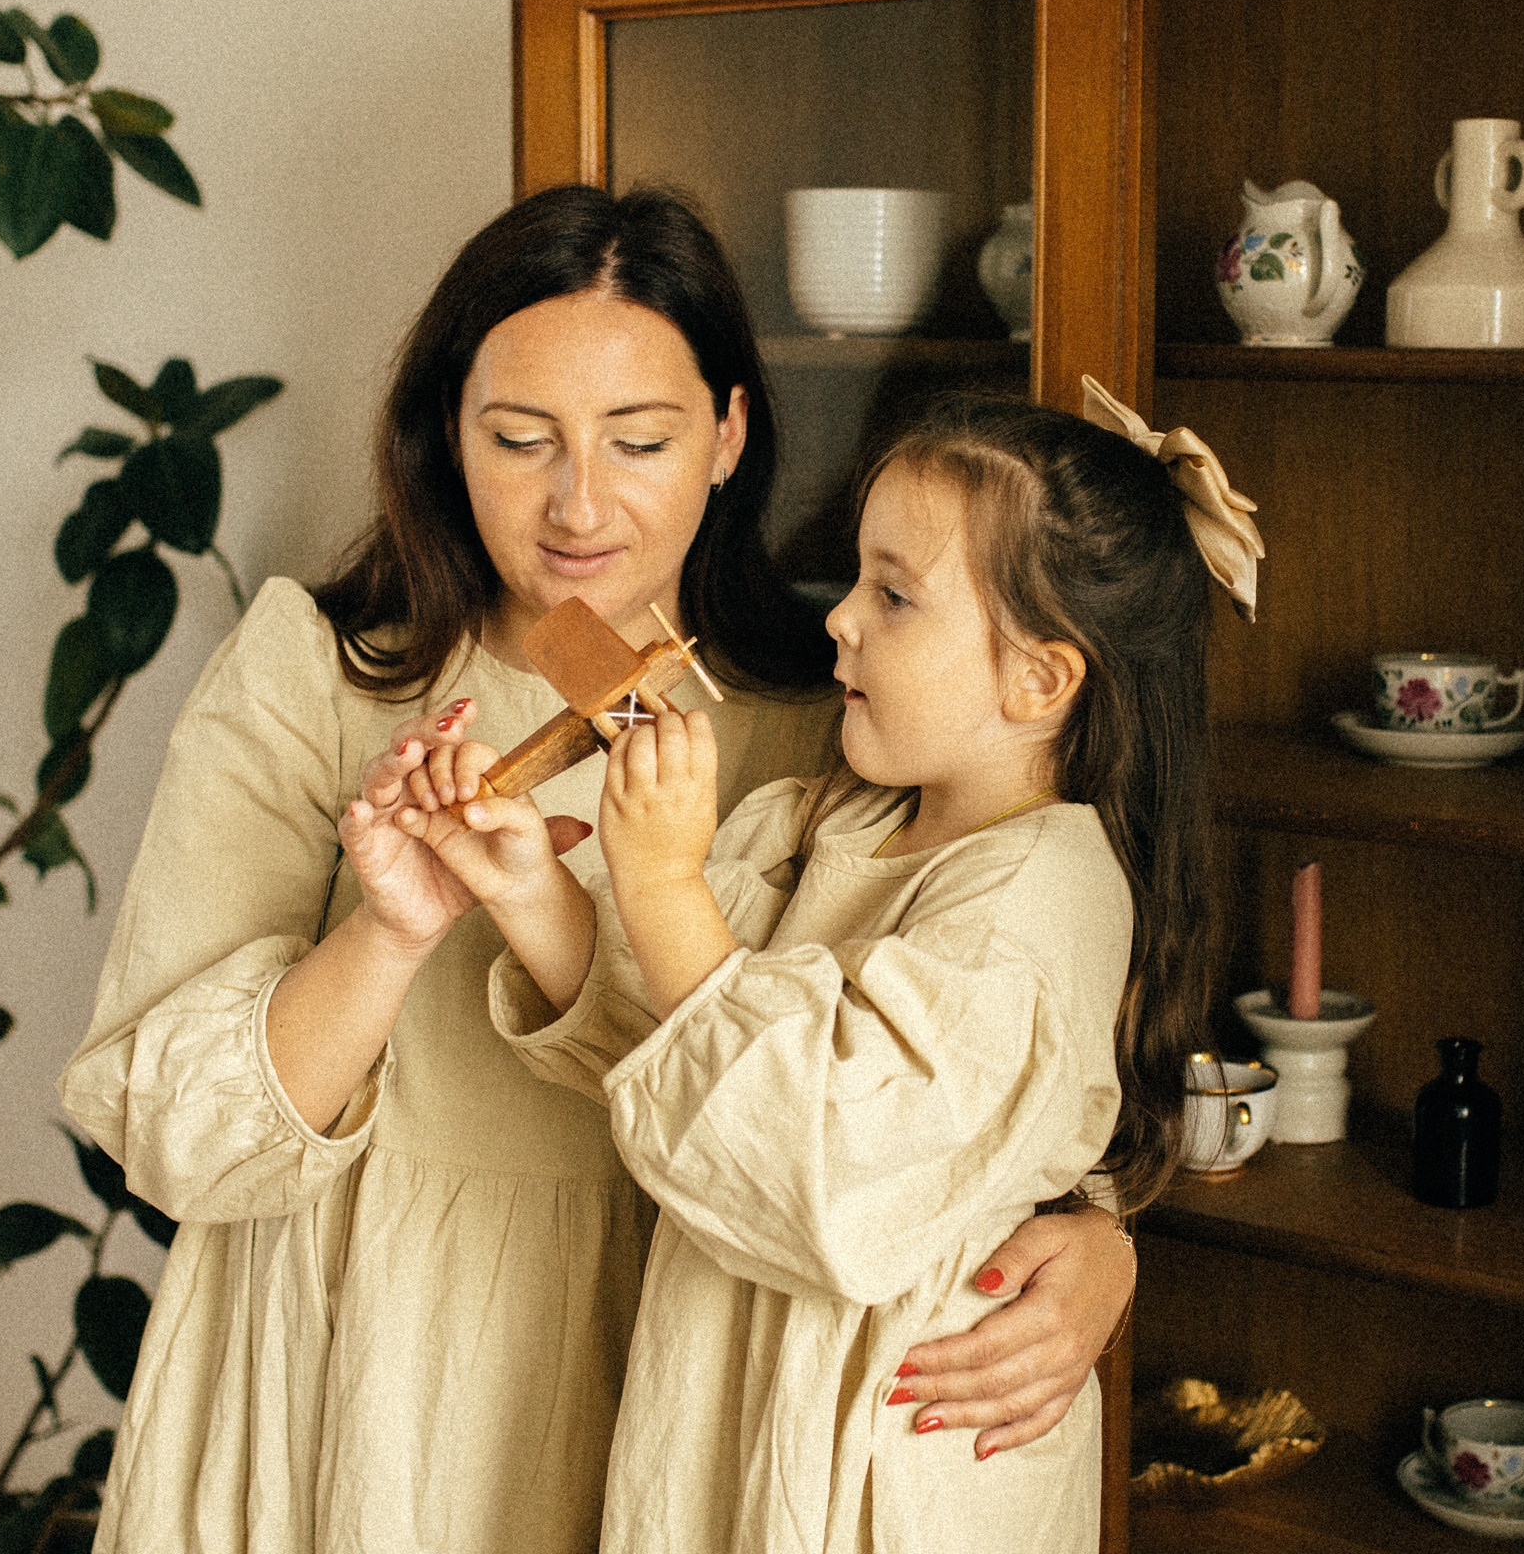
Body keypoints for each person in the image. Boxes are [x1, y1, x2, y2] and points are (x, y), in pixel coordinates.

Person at [57, 187, 1136, 1554]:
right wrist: (389, 936)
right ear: (448, 434)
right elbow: (171, 1142)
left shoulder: (847, 718)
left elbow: (949, 1049)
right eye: (518, 439)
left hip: (686, 1374)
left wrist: (1092, 1239)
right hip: (350, 1361)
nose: (578, 503)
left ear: (731, 434)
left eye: (641, 440)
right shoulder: (316, 670)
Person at [390, 383, 1256, 1552]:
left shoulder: (1037, 896)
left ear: (1041, 680)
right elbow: (676, 1046)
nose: (839, 619)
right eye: (857, 578)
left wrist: (662, 886)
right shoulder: (837, 818)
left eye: (894, 596)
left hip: (884, 1472)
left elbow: (818, 1167)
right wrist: (526, 885)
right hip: (738, 1411)